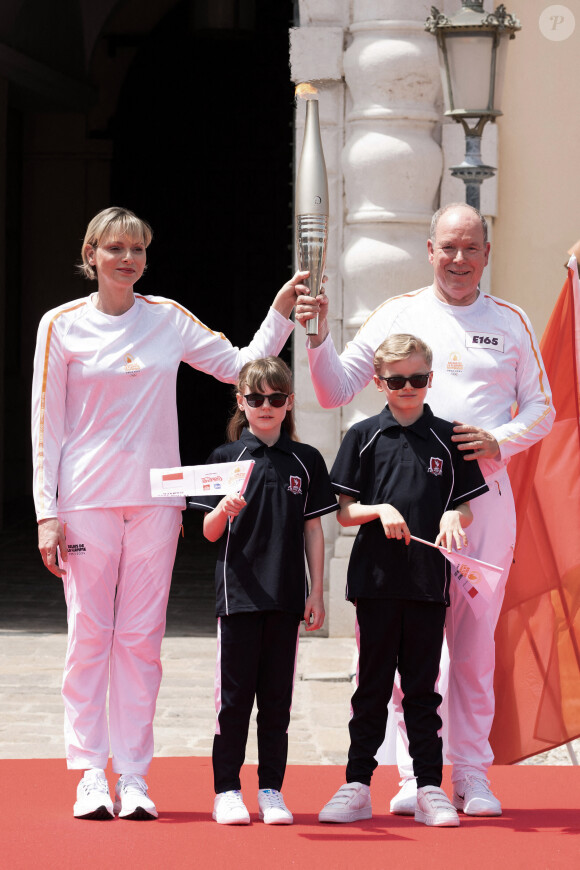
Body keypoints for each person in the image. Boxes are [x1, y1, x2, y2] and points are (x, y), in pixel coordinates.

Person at [31, 207, 306, 821]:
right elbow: (44, 423)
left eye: (138, 249)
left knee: (140, 643)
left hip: (157, 503)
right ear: (91, 253)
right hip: (86, 501)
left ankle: (132, 775)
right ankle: (88, 774)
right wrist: (47, 512)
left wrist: (280, 313)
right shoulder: (61, 326)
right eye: (115, 248)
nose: (127, 259)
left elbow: (239, 366)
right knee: (88, 638)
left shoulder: (168, 320)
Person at [295, 203, 555, 816]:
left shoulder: (510, 320)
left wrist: (501, 440)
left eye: (470, 248)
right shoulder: (398, 314)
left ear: (486, 252)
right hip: (410, 512)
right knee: (407, 646)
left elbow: (541, 409)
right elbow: (335, 388)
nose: (459, 260)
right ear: (429, 250)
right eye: (448, 248)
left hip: (481, 505)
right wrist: (317, 336)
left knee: (473, 645)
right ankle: (415, 774)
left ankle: (472, 773)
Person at [318, 334, 488, 827]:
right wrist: (383, 508)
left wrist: (458, 516)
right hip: (374, 581)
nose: (407, 387)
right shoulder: (364, 435)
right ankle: (356, 784)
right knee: (370, 686)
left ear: (429, 379)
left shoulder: (448, 438)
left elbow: (465, 504)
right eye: (396, 380)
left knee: (422, 688)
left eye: (416, 379)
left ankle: (430, 787)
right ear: (379, 382)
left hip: (427, 582)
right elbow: (345, 512)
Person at [188, 357, 338, 825]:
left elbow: (314, 531)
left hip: (287, 596)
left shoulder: (307, 460)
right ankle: (227, 790)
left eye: (275, 398)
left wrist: (317, 593)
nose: (266, 406)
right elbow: (208, 533)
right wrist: (224, 510)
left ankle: (271, 789)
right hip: (238, 598)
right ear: (241, 403)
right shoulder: (223, 458)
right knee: (232, 702)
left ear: (289, 402)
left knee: (277, 703)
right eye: (256, 399)